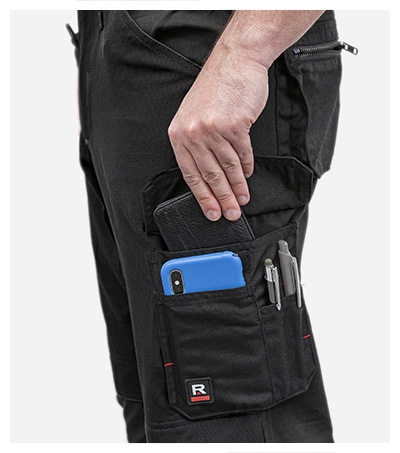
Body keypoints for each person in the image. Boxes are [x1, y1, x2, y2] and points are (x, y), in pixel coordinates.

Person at [68, 10, 348, 442]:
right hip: (114, 48)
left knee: (231, 414)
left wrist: (244, 54)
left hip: (212, 48)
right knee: (158, 404)